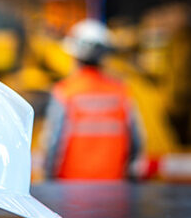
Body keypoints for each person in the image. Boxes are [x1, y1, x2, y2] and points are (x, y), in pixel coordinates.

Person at [43, 19, 142, 180]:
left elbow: (53, 142)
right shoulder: (121, 92)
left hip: (70, 186)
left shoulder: (65, 91)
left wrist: (49, 177)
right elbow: (136, 142)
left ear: (74, 56)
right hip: (113, 185)